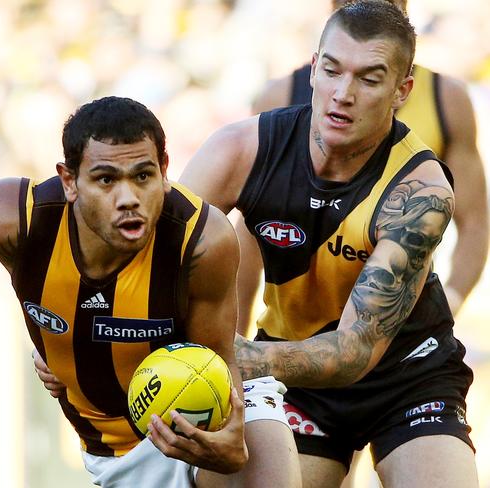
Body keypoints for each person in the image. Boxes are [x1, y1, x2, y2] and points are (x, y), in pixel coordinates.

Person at [0, 96, 300, 487]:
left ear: (164, 172)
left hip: (199, 413)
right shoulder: (21, 221)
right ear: (70, 181)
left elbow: (215, 360)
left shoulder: (203, 239)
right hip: (116, 450)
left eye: (143, 175)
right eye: (106, 180)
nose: (129, 197)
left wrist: (229, 441)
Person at [177, 1, 478, 486]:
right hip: (292, 373)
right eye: (333, 71)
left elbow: (353, 351)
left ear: (402, 90)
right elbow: (154, 261)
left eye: (368, 79)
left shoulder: (421, 190)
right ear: (314, 68)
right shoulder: (239, 148)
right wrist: (75, 336)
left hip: (407, 376)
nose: (343, 94)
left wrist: (222, 356)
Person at [237, 0, 488, 335]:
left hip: (401, 341)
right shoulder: (280, 96)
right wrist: (232, 342)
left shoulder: (446, 98)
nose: (343, 94)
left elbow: (474, 221)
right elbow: (249, 232)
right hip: (293, 332)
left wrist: (451, 300)